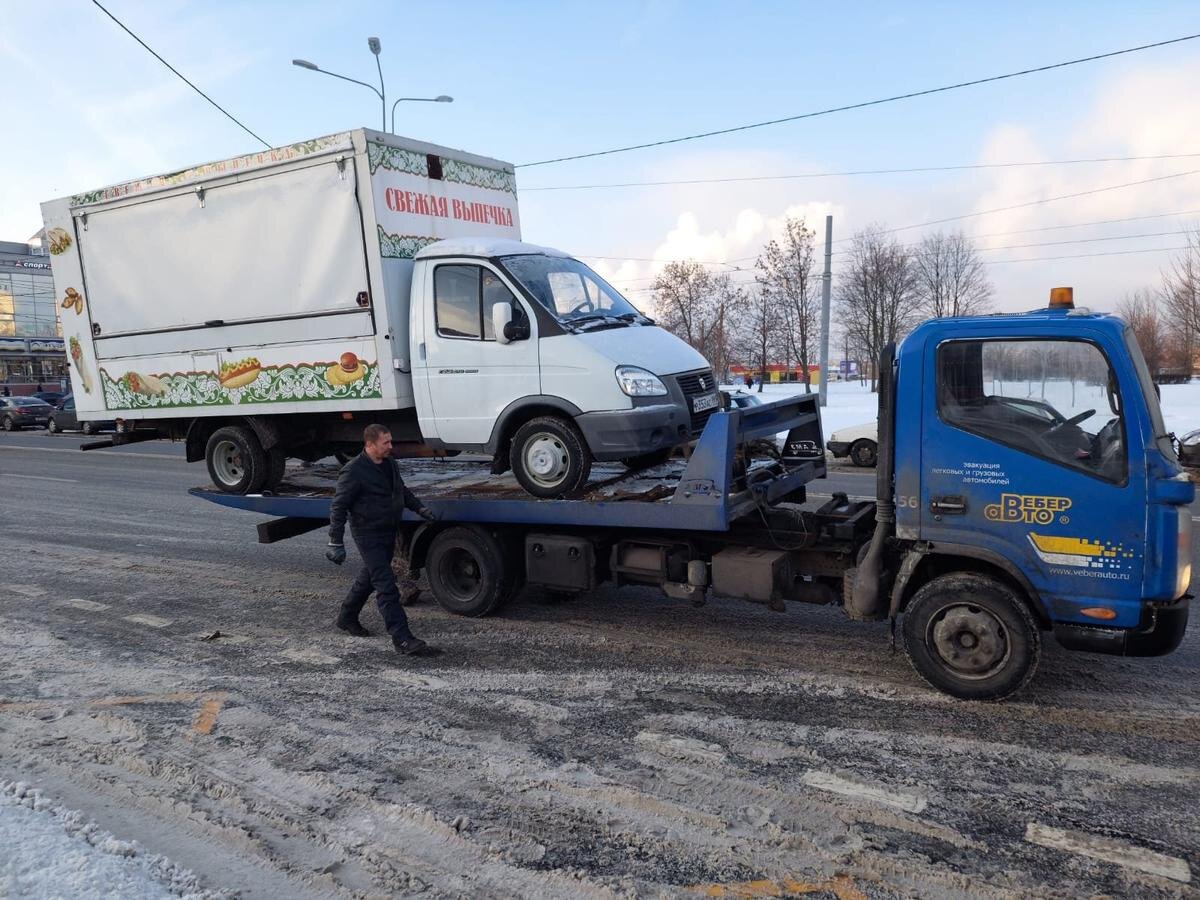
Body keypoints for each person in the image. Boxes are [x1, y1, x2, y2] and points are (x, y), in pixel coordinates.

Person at [326, 423, 439, 656]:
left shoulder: (389, 463)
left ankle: (347, 616)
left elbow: (402, 491)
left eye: (390, 441)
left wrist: (419, 509)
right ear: (370, 444)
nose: (391, 446)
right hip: (368, 534)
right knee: (386, 586)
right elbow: (339, 506)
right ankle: (402, 638)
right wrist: (335, 541)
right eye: (385, 442)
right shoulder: (353, 471)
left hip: (389, 530)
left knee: (369, 578)